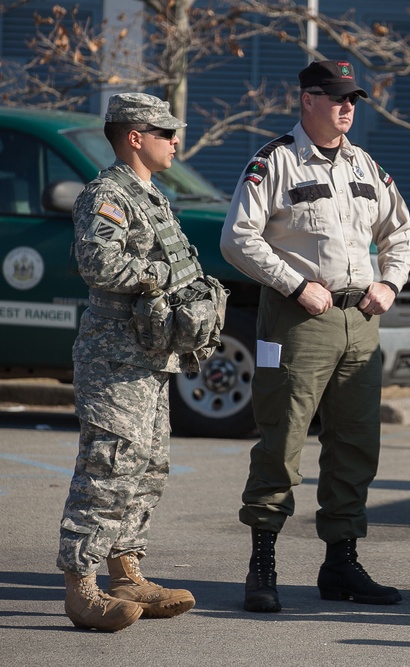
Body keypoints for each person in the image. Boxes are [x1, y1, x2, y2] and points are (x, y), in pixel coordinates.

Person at [220, 59, 410, 613]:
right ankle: (263, 563)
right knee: (282, 440)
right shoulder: (275, 161)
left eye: (352, 98)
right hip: (298, 320)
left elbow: (398, 229)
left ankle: (341, 564)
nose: (347, 107)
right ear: (307, 99)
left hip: (360, 322)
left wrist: (391, 282)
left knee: (355, 445)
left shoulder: (364, 164)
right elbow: (237, 238)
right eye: (336, 97)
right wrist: (294, 283)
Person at [58, 92, 227, 631]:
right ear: (136, 137)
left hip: (152, 357)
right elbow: (97, 260)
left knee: (146, 469)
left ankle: (126, 573)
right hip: (115, 358)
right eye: (166, 134)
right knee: (106, 469)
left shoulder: (152, 196)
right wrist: (161, 280)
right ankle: (81, 588)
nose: (176, 142)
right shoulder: (107, 194)